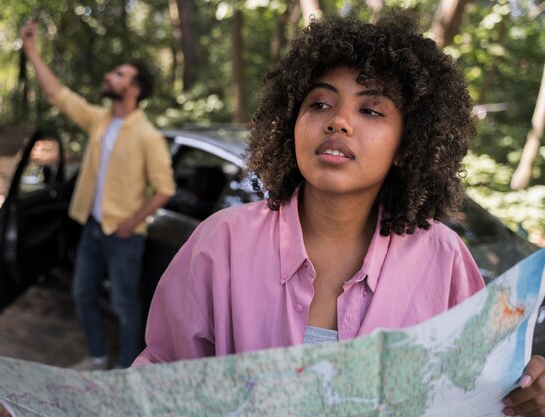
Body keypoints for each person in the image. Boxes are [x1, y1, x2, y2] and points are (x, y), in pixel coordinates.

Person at [132, 11, 545, 417]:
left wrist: (527, 395)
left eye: (371, 110)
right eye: (320, 103)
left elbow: (480, 388)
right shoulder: (221, 241)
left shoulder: (443, 257)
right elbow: (163, 379)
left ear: (406, 145)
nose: (339, 122)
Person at [20, 20, 176, 370]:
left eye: (119, 74)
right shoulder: (100, 120)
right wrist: (32, 52)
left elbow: (165, 189)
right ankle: (97, 356)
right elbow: (58, 94)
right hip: (92, 228)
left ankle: (125, 372)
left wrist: (131, 223)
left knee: (125, 307)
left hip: (124, 237)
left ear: (134, 88)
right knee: (82, 294)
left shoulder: (148, 136)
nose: (110, 76)